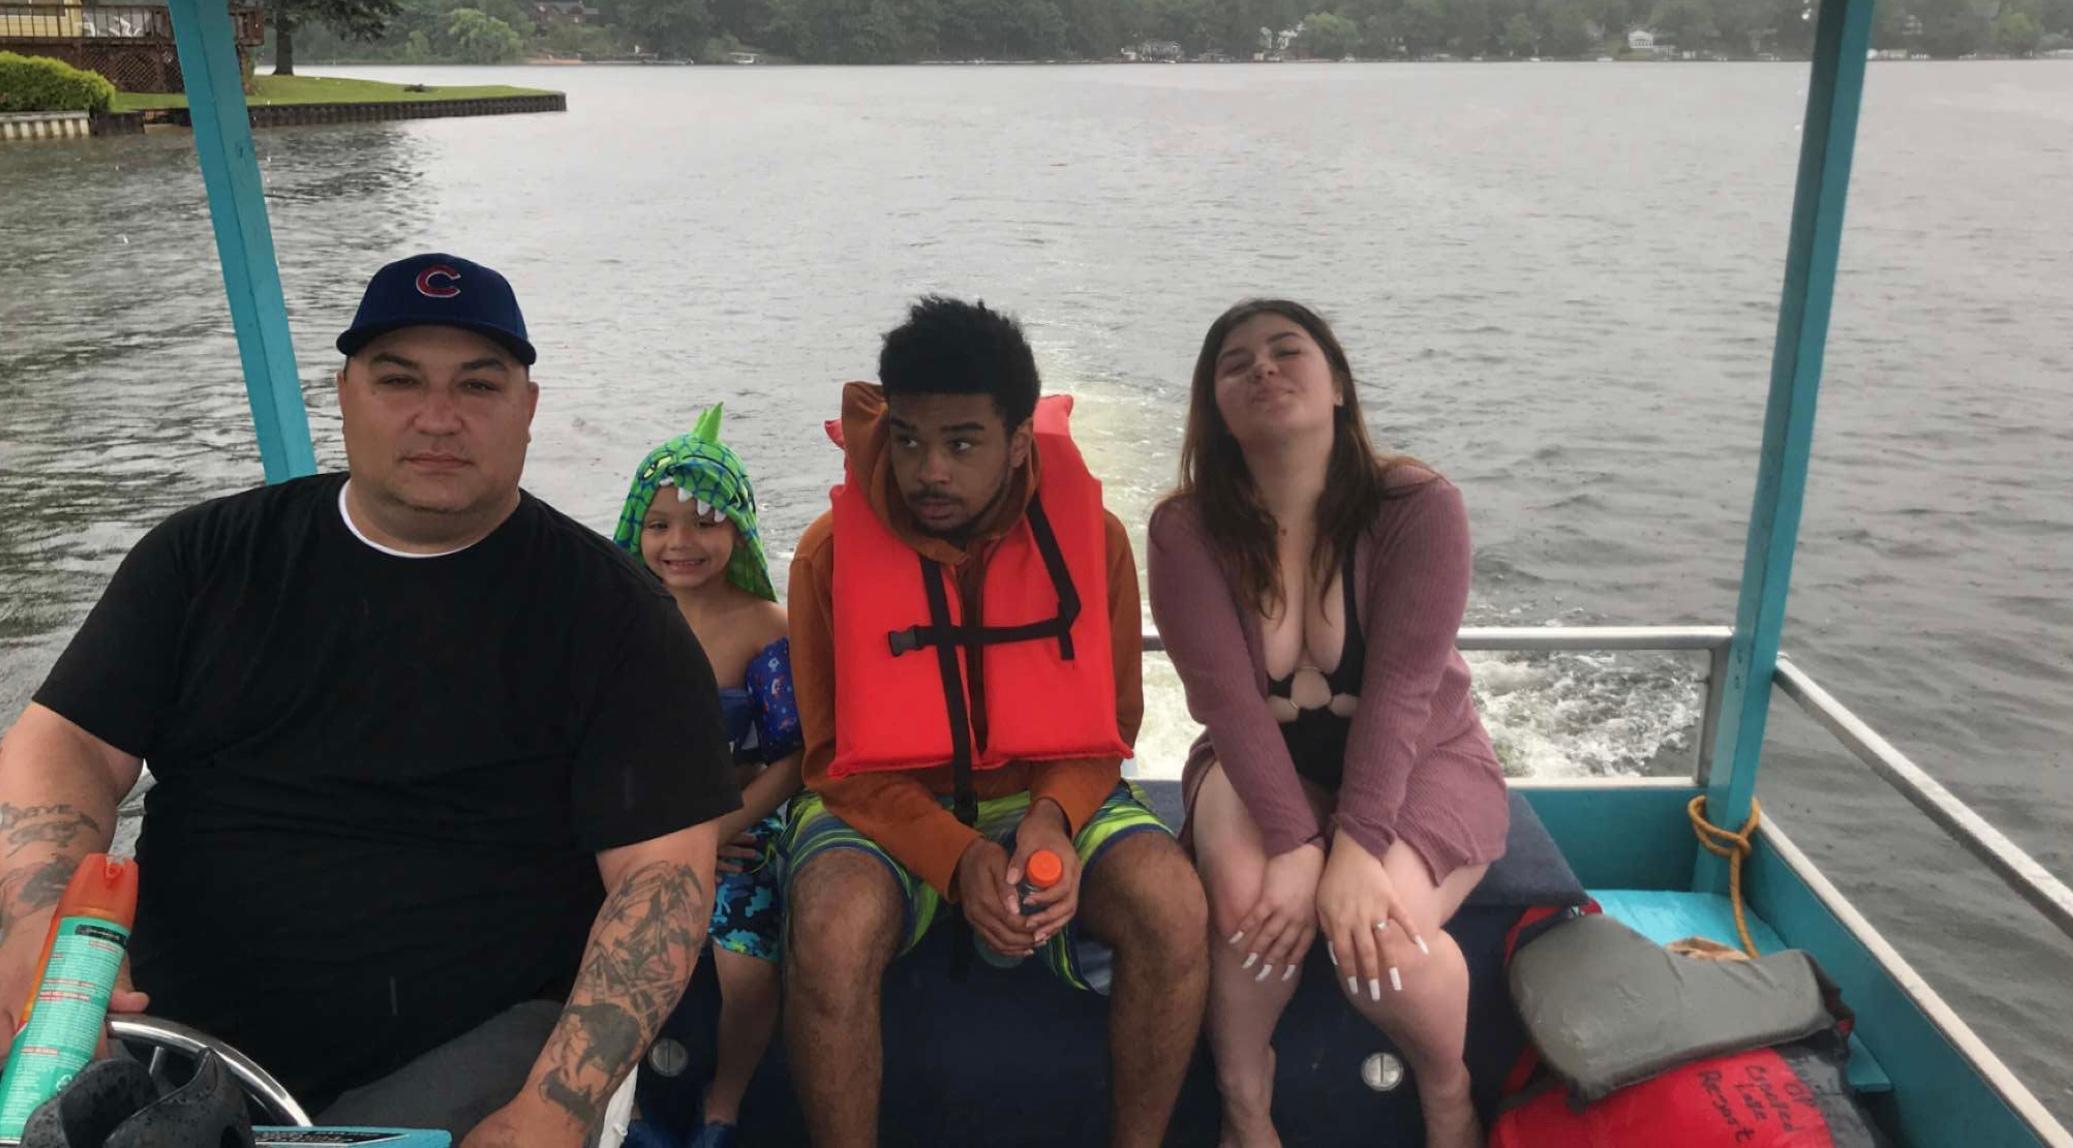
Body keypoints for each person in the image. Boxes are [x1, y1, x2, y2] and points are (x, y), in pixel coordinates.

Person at [0, 253, 737, 1146]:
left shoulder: (618, 618)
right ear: (344, 394)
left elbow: (662, 879)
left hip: (471, 1055)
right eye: (399, 380)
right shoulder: (203, 559)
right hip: (163, 1031)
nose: (439, 417)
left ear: (529, 409)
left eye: (478, 385)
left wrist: (553, 1110)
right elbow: (66, 744)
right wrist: (40, 924)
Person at [779, 297, 1209, 1148]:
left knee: (1173, 905)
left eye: (962, 443)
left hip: (1047, 792)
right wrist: (955, 854)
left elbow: (1112, 723)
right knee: (830, 928)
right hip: (880, 802)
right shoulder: (828, 554)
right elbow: (833, 763)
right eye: (908, 440)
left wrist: (1052, 817)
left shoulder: (1097, 545)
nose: (928, 471)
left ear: (1017, 442)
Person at [1146, 300, 1511, 1148]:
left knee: (1376, 943)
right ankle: (1244, 1102)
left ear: (1339, 385)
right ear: (1214, 408)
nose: (1263, 368)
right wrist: (1295, 842)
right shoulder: (1184, 530)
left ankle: (1447, 1091)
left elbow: (1402, 696)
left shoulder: (1418, 507)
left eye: (1287, 350)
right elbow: (1228, 707)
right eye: (1235, 363)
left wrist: (1353, 847)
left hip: (1422, 759)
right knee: (1247, 912)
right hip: (1258, 762)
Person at [612, 406, 801, 1148]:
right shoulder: (615, 618)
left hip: (742, 821)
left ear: (740, 528)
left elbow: (794, 758)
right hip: (637, 823)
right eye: (659, 524)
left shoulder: (768, 627)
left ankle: (723, 1105)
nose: (680, 543)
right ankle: (625, 1103)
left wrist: (718, 830)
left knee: (743, 965)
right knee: (597, 940)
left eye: (705, 523)